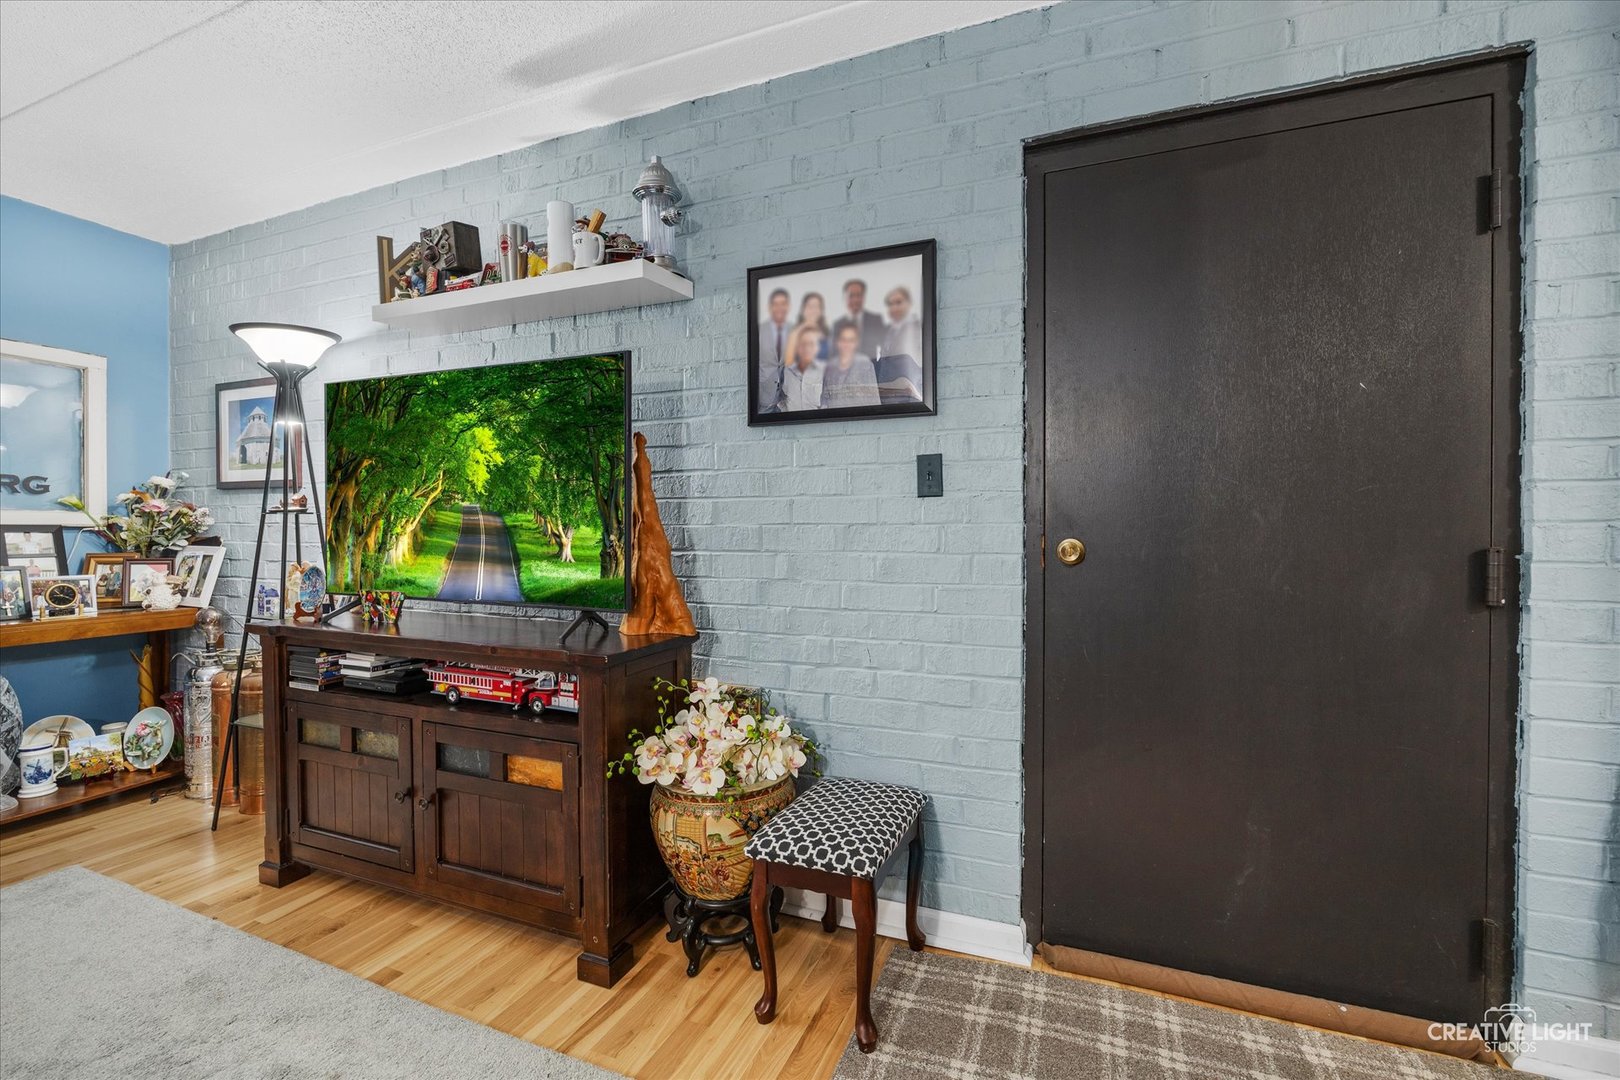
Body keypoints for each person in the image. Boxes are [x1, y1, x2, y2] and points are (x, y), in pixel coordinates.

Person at [821, 323, 880, 409]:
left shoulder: (865, 364)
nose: (846, 344)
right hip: (834, 418)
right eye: (843, 339)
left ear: (856, 343)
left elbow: (874, 400)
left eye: (851, 340)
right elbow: (825, 398)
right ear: (837, 342)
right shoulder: (830, 366)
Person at [756, 287, 791, 411]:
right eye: (776, 304)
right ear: (770, 307)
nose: (780, 308)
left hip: (786, 397)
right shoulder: (759, 330)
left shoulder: (793, 329)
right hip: (764, 396)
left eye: (783, 304)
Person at [832, 279, 885, 359]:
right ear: (844, 298)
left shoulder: (876, 320)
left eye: (859, 295)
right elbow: (834, 354)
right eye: (851, 296)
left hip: (872, 368)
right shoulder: (837, 325)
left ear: (863, 297)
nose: (855, 300)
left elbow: (883, 349)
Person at [780, 324, 826, 411]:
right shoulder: (786, 371)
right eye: (803, 344)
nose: (807, 348)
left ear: (817, 347)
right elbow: (781, 400)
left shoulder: (824, 371)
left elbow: (827, 403)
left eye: (811, 344)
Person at [881, 285, 923, 363]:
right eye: (890, 304)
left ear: (909, 303)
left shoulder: (918, 328)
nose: (894, 308)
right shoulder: (888, 330)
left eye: (898, 302)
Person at [796, 292, 831, 360]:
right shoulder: (794, 333)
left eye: (817, 306)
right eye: (810, 306)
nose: (813, 310)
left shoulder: (827, 333)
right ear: (803, 309)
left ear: (821, 311)